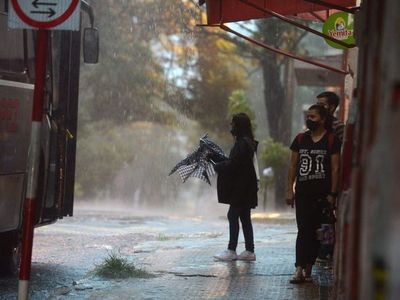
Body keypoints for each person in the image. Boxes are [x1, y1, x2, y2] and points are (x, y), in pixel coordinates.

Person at [286, 105, 341, 283]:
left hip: (323, 196)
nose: (309, 119)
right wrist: (289, 189)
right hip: (302, 194)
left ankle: (309, 265)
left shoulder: (332, 141)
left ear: (323, 119)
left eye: (313, 117)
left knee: (318, 232)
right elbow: (293, 165)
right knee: (303, 230)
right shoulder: (300, 139)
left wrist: (333, 194)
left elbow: (335, 168)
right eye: (308, 116)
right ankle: (299, 268)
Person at [212, 112, 258, 262]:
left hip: (241, 188)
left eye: (233, 124)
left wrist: (217, 166)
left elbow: (234, 164)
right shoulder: (247, 142)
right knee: (244, 217)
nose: (231, 127)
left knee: (233, 215)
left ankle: (232, 250)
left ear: (239, 126)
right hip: (246, 187)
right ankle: (249, 251)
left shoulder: (242, 144)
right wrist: (219, 159)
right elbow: (236, 161)